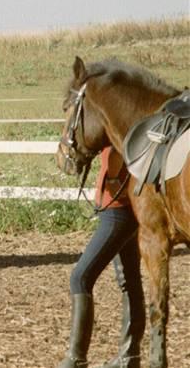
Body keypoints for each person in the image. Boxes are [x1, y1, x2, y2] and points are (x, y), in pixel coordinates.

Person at [58, 146, 145, 368]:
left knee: (80, 278)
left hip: (117, 211)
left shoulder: (113, 114)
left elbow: (118, 149)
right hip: (124, 208)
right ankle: (129, 355)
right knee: (130, 281)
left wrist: (115, 179)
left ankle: (76, 359)